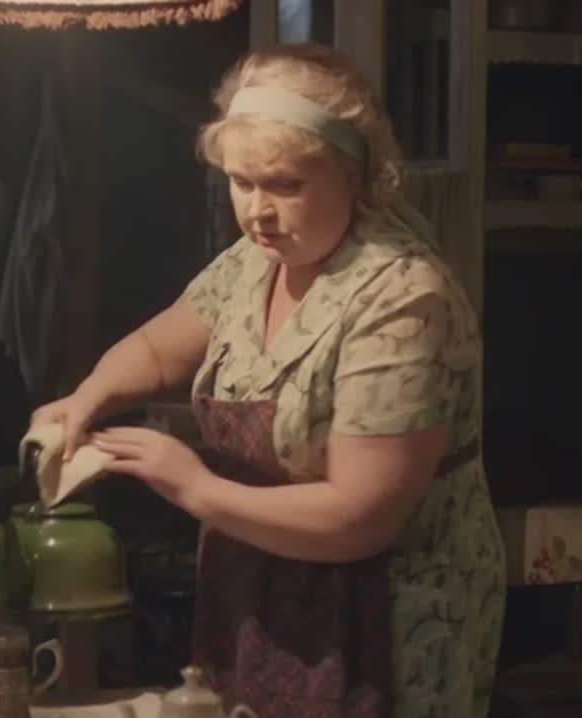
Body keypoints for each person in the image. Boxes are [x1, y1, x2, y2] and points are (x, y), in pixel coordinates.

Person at [33, 43, 505, 718]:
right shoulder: (255, 261)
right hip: (261, 591)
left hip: (379, 616)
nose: (258, 211)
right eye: (241, 182)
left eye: (285, 185)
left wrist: (194, 486)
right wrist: (87, 398)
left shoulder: (404, 299)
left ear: (354, 174)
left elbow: (359, 518)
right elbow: (159, 349)